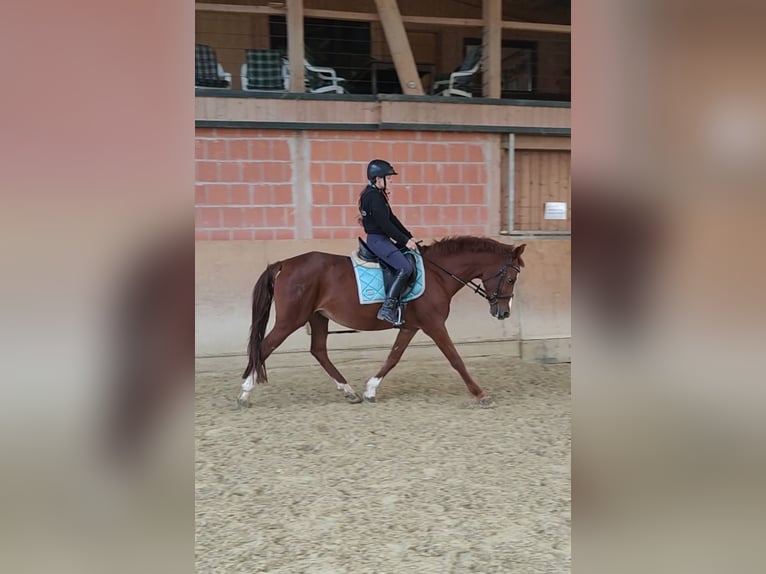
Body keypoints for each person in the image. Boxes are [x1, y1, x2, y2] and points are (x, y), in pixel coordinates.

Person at [358, 159, 419, 326]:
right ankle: (387, 308)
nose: (391, 181)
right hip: (377, 240)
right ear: (378, 179)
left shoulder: (378, 195)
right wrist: (405, 241)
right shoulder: (373, 197)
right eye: (388, 178)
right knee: (405, 267)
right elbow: (385, 225)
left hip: (382, 238)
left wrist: (409, 236)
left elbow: (392, 219)